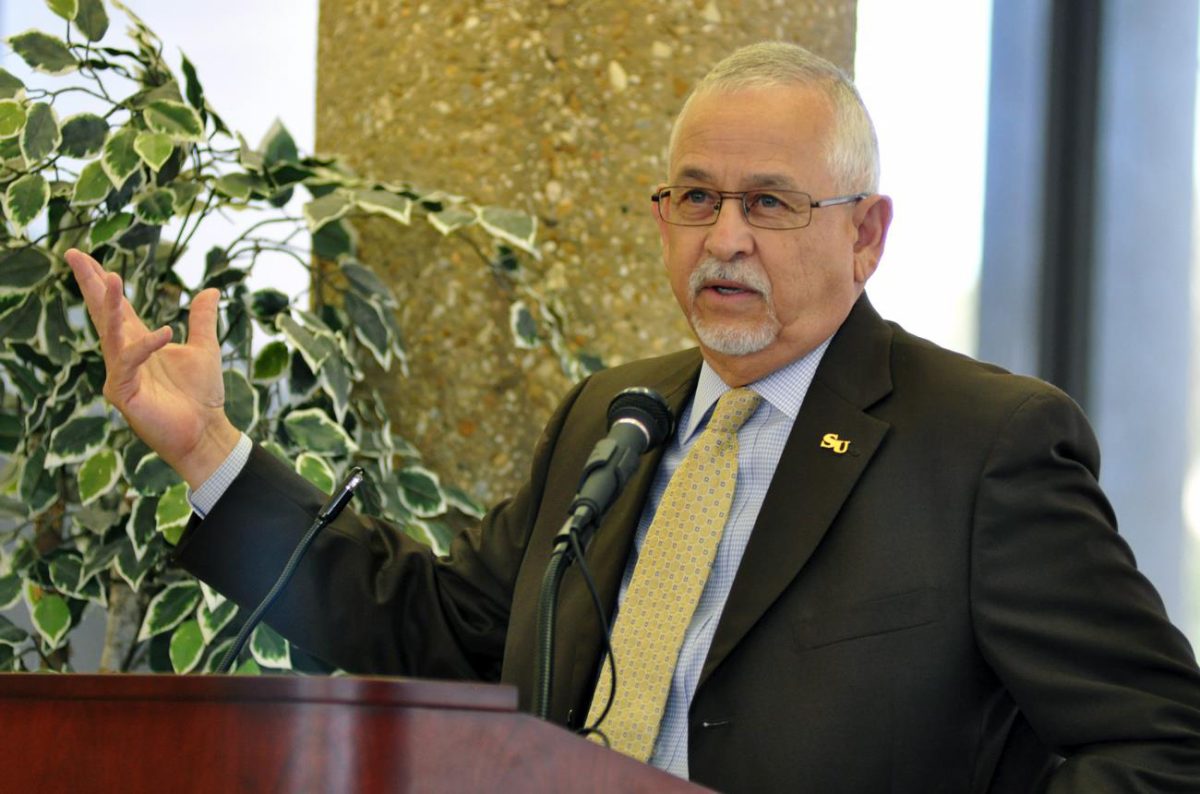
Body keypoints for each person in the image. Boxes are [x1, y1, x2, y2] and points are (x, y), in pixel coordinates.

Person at [68, 42, 1200, 792]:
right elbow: (437, 636)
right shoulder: (615, 416)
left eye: (771, 202)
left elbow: (1161, 742)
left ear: (866, 234)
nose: (724, 238)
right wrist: (210, 453)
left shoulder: (983, 442)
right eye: (695, 196)